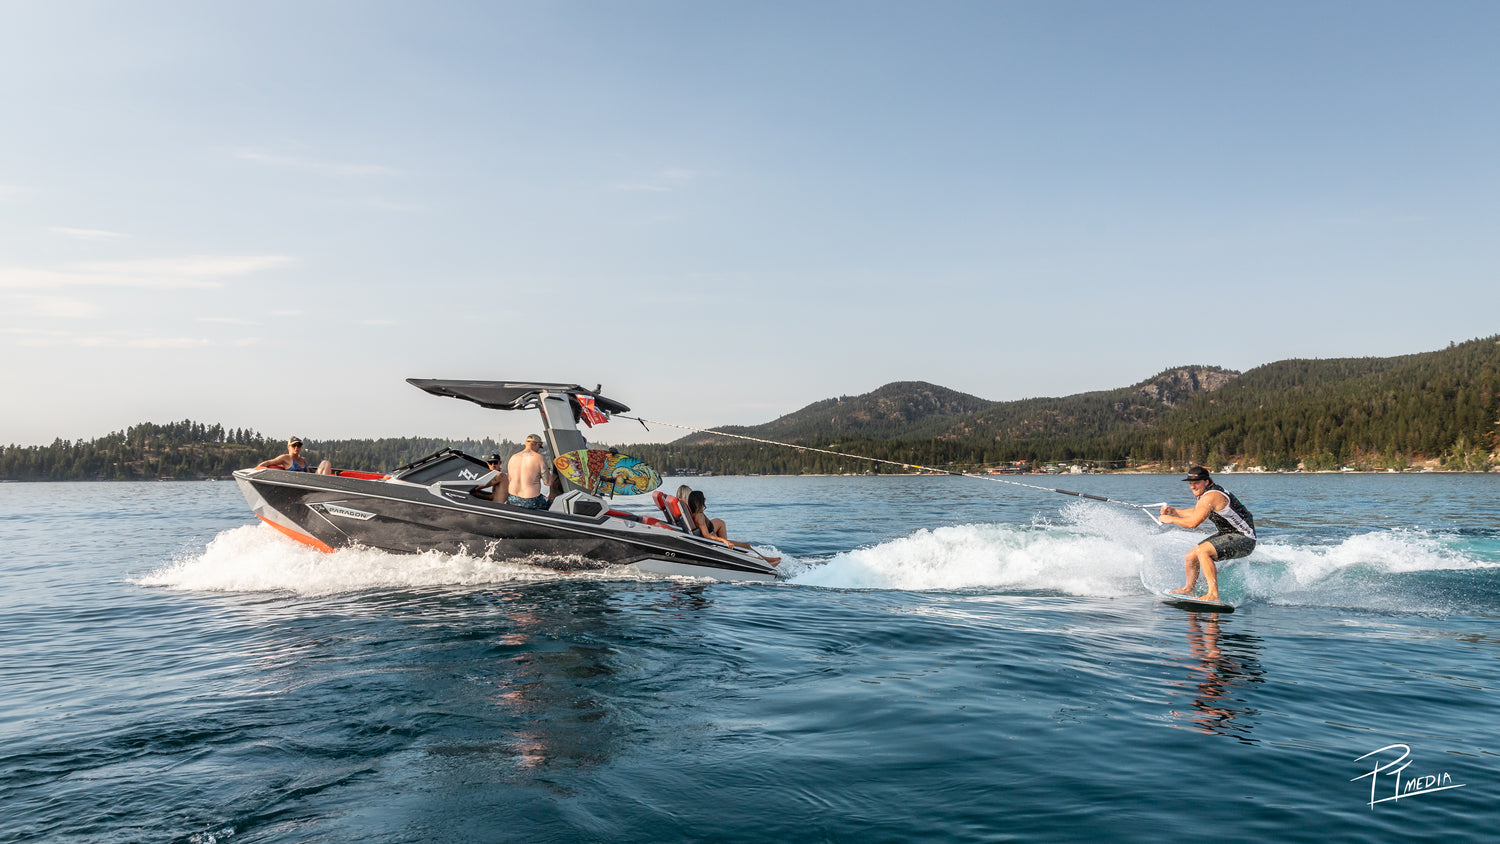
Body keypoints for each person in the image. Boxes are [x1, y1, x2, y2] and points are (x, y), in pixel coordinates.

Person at [1158, 466, 1255, 602]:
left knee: (1202, 551)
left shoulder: (1212, 496)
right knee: (1191, 556)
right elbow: (1198, 511)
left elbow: (1193, 523)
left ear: (1207, 482)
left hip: (1244, 538)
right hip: (1229, 534)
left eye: (1196, 483)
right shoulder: (1205, 495)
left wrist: (1171, 519)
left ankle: (1214, 595)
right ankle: (1189, 589)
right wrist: (1174, 511)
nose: (1193, 486)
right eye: (1191, 483)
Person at [685, 489, 781, 566]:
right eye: (703, 498)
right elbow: (706, 535)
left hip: (711, 537)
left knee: (720, 522)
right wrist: (724, 541)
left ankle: (766, 559)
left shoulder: (695, 514)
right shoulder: (699, 516)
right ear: (700, 501)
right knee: (746, 545)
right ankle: (766, 562)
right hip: (712, 542)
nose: (705, 499)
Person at [506, 434, 555, 509]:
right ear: (537, 444)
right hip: (531, 500)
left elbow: (511, 478)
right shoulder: (539, 458)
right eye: (539, 447)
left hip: (512, 499)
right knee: (554, 506)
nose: (538, 449)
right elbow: (548, 482)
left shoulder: (513, 458)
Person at [255, 436, 332, 475]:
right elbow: (268, 462)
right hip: (295, 483)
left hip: (309, 483)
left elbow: (309, 475)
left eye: (299, 445)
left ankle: (325, 492)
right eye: (294, 445)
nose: (296, 447)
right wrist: (256, 470)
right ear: (288, 447)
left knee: (325, 463)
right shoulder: (285, 458)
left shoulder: (303, 459)